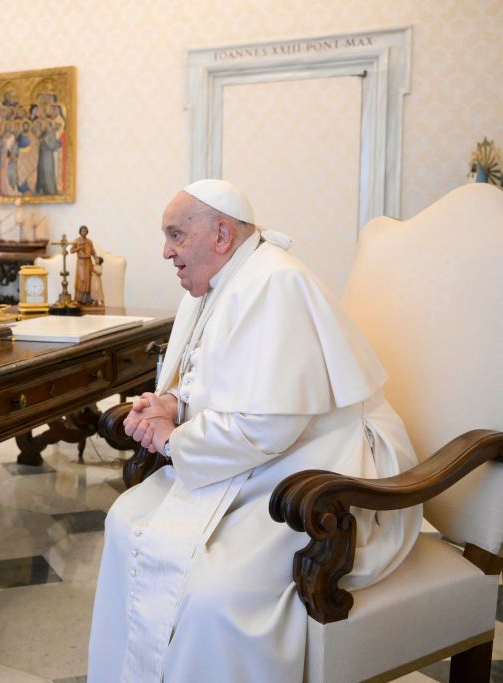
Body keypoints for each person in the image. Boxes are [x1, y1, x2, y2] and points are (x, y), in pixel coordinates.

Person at [87, 179, 421, 682]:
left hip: (325, 467)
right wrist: (172, 404)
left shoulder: (276, 282)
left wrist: (173, 439)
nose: (166, 252)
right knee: (124, 522)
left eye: (176, 235)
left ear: (222, 234)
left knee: (215, 593)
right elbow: (220, 381)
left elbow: (271, 421)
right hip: (266, 455)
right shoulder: (220, 282)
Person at [69, 225, 97, 305]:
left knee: (88, 281)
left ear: (87, 232)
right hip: (81, 262)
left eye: (85, 231)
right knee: (82, 280)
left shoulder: (89, 241)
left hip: (88, 262)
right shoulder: (76, 240)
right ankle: (79, 299)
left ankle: (87, 300)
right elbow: (71, 250)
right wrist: (78, 248)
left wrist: (96, 258)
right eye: (82, 231)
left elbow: (93, 251)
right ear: (80, 232)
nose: (84, 232)